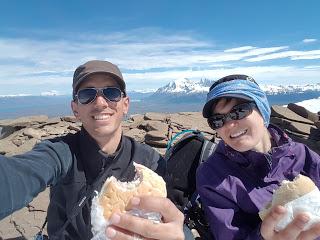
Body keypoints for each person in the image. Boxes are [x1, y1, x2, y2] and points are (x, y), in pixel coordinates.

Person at [0, 60, 187, 240]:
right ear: (75, 109)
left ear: (125, 105)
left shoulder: (150, 161)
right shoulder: (61, 153)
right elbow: (19, 174)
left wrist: (180, 235)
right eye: (86, 94)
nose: (100, 102)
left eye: (111, 93)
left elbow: (174, 220)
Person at [197, 74, 320, 240]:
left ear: (263, 110)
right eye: (218, 120)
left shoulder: (301, 155)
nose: (230, 125)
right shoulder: (213, 177)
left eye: (239, 111)